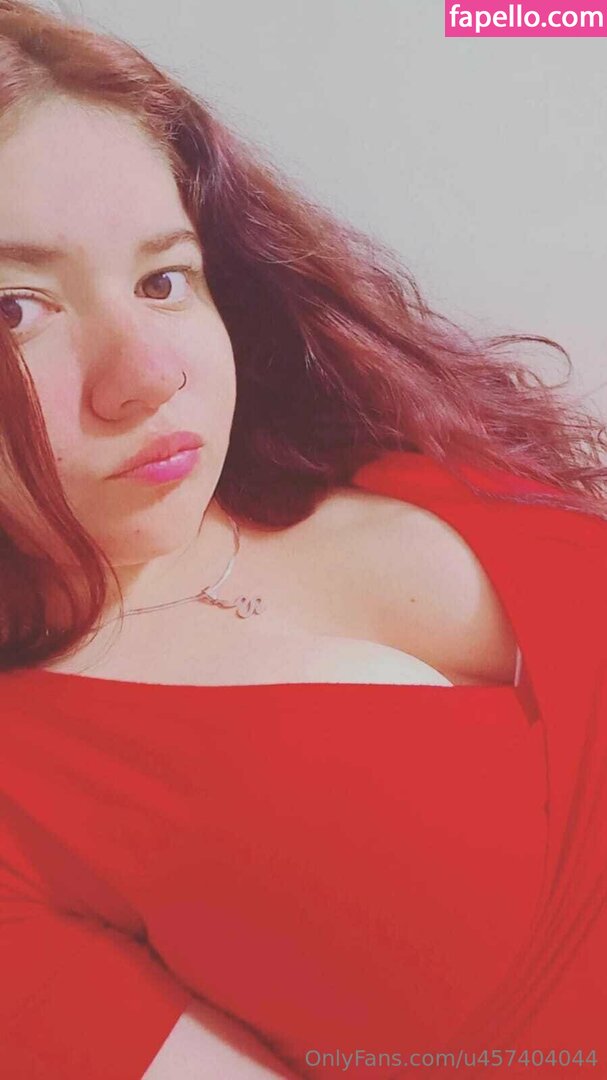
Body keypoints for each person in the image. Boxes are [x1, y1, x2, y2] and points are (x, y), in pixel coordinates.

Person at [0, 1, 606, 1077]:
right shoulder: (22, 803)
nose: (149, 376)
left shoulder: (363, 439)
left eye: (162, 278)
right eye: (15, 310)